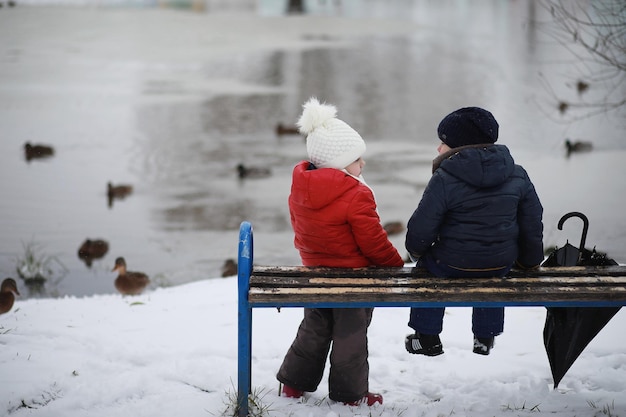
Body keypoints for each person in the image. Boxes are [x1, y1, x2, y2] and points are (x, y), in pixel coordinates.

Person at [277, 97, 404, 406]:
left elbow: (301, 228)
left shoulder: (301, 187)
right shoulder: (355, 193)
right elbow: (372, 239)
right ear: (339, 163)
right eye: (357, 159)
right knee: (350, 337)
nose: (363, 165)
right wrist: (393, 262)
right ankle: (350, 395)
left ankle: (294, 384)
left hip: (315, 271)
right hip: (353, 276)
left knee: (314, 329)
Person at [404, 107, 543, 356]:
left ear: (460, 145)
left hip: (451, 263)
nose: (438, 149)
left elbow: (422, 227)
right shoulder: (517, 174)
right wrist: (530, 262)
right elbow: (532, 223)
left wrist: (416, 252)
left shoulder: (445, 177)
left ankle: (426, 337)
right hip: (500, 263)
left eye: (443, 142)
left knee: (426, 269)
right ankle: (484, 336)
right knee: (493, 272)